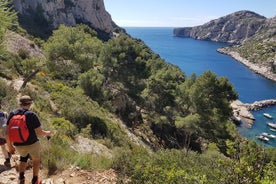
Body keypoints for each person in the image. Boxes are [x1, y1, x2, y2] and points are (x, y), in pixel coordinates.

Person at [6, 95, 51, 184]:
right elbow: (40, 133)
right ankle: (35, 180)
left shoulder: (12, 114)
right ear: (29, 104)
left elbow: (7, 133)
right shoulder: (31, 115)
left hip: (18, 143)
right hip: (32, 143)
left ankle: (21, 178)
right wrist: (48, 133)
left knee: (23, 158)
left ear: (20, 103)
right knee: (36, 160)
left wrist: (10, 146)